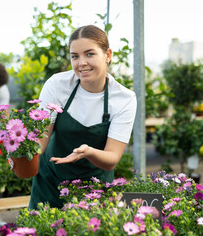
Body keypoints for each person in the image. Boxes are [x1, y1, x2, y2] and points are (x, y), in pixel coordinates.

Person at [28, 25, 137, 209]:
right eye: (75, 56)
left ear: (108, 55)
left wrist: (88, 152)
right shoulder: (57, 85)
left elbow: (112, 158)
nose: (81, 63)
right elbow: (40, 140)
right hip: (50, 183)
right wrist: (21, 153)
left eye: (89, 54)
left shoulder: (123, 99)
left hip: (94, 188)